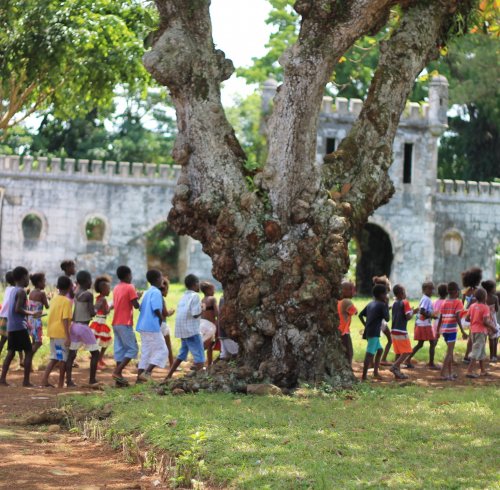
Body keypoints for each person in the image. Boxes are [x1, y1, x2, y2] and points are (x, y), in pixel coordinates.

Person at [0, 266, 42, 387]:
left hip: (11, 326)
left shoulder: (13, 290)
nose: (29, 280)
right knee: (28, 351)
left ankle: (2, 379)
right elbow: (17, 309)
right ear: (23, 278)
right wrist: (32, 313)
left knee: (11, 352)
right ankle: (26, 381)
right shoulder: (21, 291)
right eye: (28, 277)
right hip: (19, 326)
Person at [162, 274, 205, 381]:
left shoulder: (184, 296)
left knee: (182, 354)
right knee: (200, 356)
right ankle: (200, 380)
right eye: (198, 283)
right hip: (192, 331)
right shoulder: (195, 296)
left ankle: (169, 375)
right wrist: (203, 308)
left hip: (182, 331)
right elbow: (195, 314)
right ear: (195, 284)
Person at [66, 270, 100, 387]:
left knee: (71, 354)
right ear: (86, 282)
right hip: (84, 327)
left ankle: (69, 381)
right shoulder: (88, 295)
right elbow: (91, 313)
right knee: (95, 353)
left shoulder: (75, 293)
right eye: (90, 280)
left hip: (74, 326)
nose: (91, 282)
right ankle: (92, 380)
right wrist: (98, 306)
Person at [136, 270, 169, 383]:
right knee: (163, 350)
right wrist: (160, 319)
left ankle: (139, 379)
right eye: (161, 278)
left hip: (143, 326)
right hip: (152, 326)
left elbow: (141, 308)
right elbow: (156, 309)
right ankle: (147, 372)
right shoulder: (156, 292)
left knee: (146, 352)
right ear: (156, 280)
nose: (162, 280)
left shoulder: (147, 292)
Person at [111, 265, 141, 386]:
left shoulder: (116, 287)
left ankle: (119, 381)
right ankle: (117, 372)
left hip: (116, 322)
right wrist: (138, 296)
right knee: (133, 349)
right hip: (125, 323)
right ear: (128, 275)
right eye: (131, 275)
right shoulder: (130, 287)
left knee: (120, 350)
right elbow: (136, 305)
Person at [41, 276, 73, 388]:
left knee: (55, 357)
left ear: (58, 287)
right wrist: (68, 337)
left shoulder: (54, 299)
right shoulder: (67, 301)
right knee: (62, 359)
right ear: (69, 287)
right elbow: (65, 319)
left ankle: (44, 379)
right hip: (61, 334)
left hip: (52, 332)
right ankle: (60, 383)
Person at [436, 281, 468, 381]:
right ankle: (442, 374)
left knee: (450, 352)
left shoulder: (444, 302)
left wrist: (438, 330)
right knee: (449, 353)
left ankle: (449, 374)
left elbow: (440, 317)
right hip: (452, 330)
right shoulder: (457, 302)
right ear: (455, 291)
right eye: (458, 290)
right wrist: (462, 331)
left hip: (444, 330)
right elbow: (458, 317)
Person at [359, 284, 390, 381]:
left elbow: (360, 315)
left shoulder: (370, 303)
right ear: (381, 295)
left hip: (370, 331)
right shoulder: (382, 305)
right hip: (374, 333)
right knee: (369, 354)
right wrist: (386, 305)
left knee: (380, 350)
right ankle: (364, 377)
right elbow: (387, 319)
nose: (386, 296)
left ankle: (375, 372)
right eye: (385, 294)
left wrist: (366, 325)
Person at [406, 282, 438, 369]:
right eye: (430, 289)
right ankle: (431, 363)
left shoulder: (425, 298)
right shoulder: (426, 299)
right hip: (424, 325)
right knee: (432, 342)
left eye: (432, 289)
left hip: (423, 324)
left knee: (421, 344)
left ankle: (407, 359)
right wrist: (432, 316)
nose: (432, 291)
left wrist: (431, 316)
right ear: (424, 290)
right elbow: (422, 311)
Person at [465, 288, 495, 378]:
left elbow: (467, 318)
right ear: (484, 297)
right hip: (481, 332)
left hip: (473, 331)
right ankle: (469, 371)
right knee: (476, 350)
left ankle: (482, 370)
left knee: (480, 350)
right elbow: (485, 321)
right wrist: (493, 328)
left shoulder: (472, 306)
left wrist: (475, 321)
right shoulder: (485, 307)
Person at [390, 284, 417, 379]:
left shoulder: (394, 303)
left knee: (398, 352)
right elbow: (408, 317)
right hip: (401, 331)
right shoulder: (405, 302)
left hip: (393, 330)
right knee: (407, 351)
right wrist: (414, 311)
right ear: (401, 293)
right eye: (404, 292)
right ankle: (394, 367)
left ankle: (397, 372)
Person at [89, 275, 113, 369]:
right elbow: (105, 312)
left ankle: (98, 358)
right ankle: (98, 359)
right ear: (103, 289)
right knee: (103, 341)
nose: (109, 290)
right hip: (100, 322)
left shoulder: (98, 297)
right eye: (108, 289)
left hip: (97, 321)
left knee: (101, 342)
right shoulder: (103, 299)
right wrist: (111, 307)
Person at [461, 267, 482, 363]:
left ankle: (468, 356)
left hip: (466, 315)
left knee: (471, 337)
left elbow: (462, 304)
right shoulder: (477, 291)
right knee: (472, 338)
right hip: (474, 315)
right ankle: (468, 356)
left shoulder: (466, 291)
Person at [27, 272, 49, 359]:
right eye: (44, 281)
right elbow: (47, 306)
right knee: (39, 342)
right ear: (39, 282)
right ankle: (28, 358)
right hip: (36, 321)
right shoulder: (42, 293)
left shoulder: (31, 292)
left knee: (33, 342)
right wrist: (48, 298)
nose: (45, 283)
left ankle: (29, 364)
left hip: (30, 320)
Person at [372, 276, 393, 366]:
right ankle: (383, 359)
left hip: (376, 321)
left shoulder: (375, 297)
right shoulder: (386, 298)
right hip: (382, 322)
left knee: (374, 341)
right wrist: (391, 307)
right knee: (390, 339)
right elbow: (385, 311)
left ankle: (373, 361)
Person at [337, 281, 357, 366]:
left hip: (337, 330)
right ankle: (348, 368)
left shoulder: (338, 301)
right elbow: (355, 312)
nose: (354, 292)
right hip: (344, 331)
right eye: (351, 289)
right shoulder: (347, 301)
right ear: (344, 290)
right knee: (349, 352)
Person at [200, 281, 218, 366]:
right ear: (207, 290)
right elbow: (217, 312)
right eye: (212, 289)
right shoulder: (212, 299)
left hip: (202, 324)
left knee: (208, 344)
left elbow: (201, 312)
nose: (214, 291)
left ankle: (206, 363)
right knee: (208, 345)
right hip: (210, 325)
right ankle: (202, 363)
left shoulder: (202, 300)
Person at [481, 280, 499, 362]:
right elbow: (497, 309)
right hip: (492, 321)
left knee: (485, 339)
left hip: (484, 320)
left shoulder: (483, 298)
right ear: (491, 289)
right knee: (493, 339)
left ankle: (483, 356)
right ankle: (493, 356)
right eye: (494, 287)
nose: (495, 289)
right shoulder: (495, 298)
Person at [160, 278, 175, 368]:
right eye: (167, 289)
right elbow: (165, 313)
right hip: (162, 325)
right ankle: (172, 364)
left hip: (156, 326)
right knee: (168, 345)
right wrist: (171, 312)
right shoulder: (161, 299)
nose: (167, 292)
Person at [217, 296, 239, 360]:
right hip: (228, 335)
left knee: (224, 355)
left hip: (222, 333)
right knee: (235, 354)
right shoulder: (228, 299)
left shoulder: (222, 298)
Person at [0, 271, 15, 356]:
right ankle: (21, 359)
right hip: (9, 317)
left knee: (3, 340)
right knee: (13, 340)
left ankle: (21, 359)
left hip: (3, 316)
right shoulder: (15, 290)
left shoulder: (8, 289)